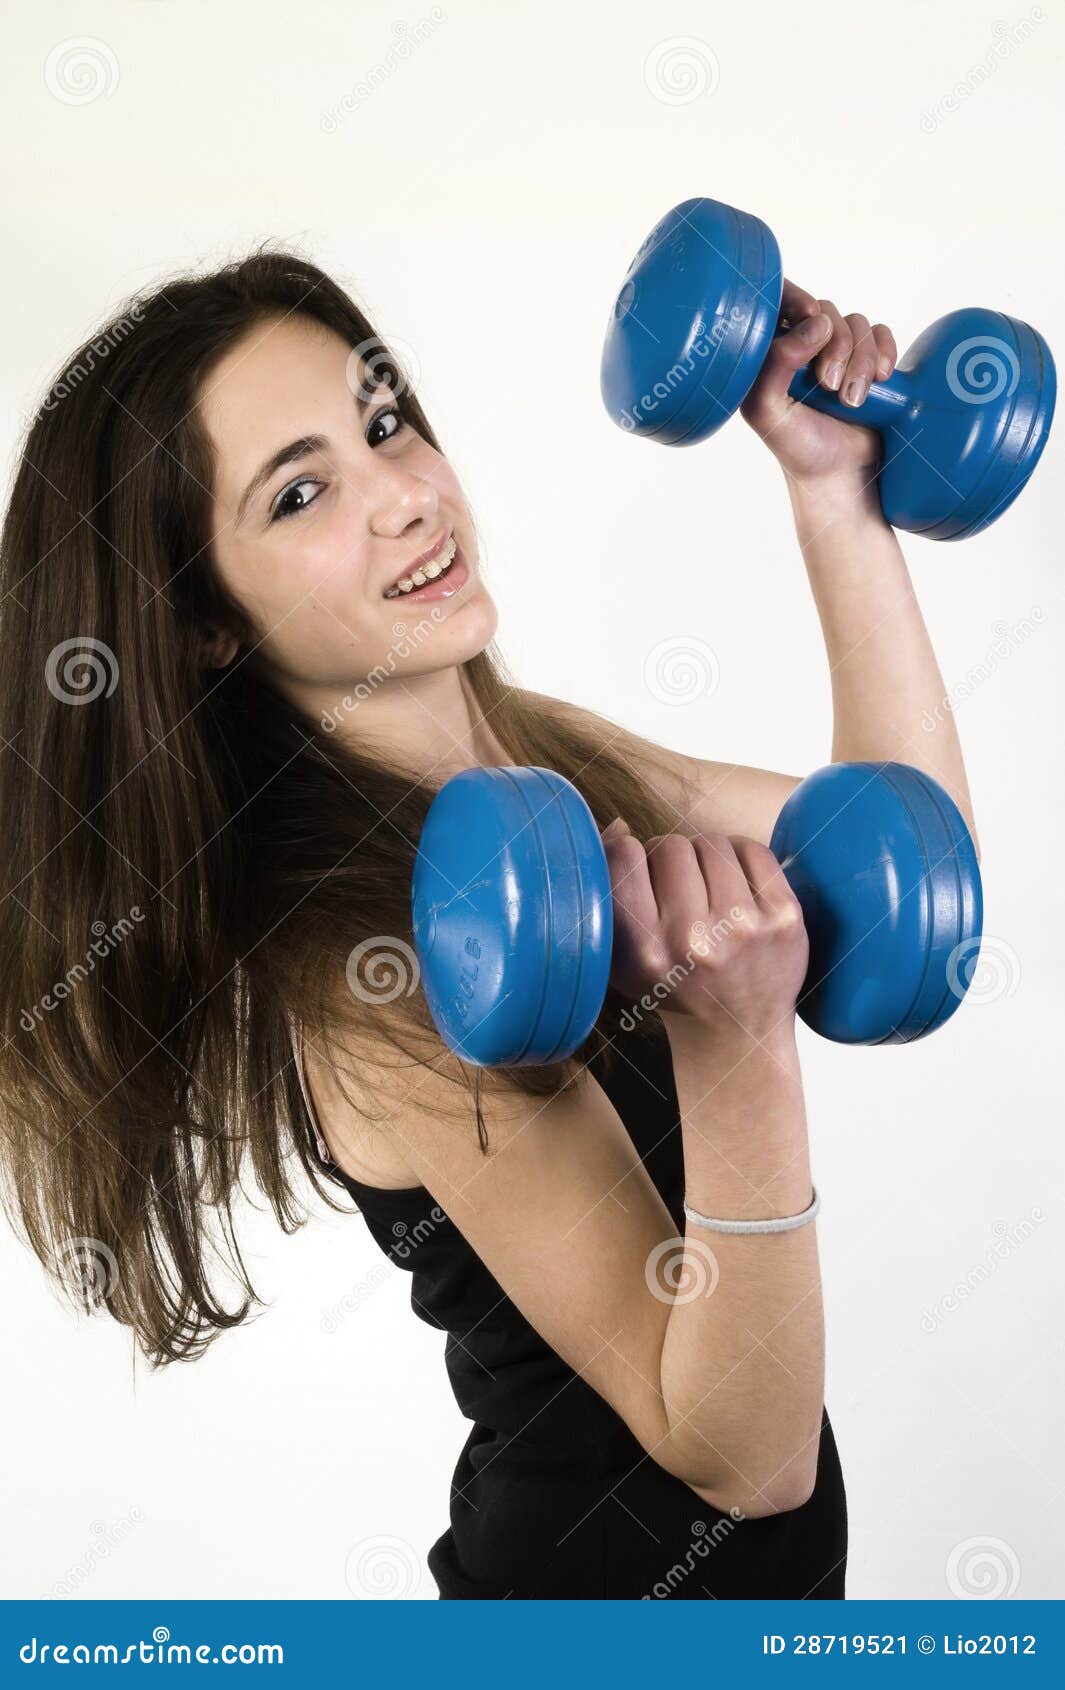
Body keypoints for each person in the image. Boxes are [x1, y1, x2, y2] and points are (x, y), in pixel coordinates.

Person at [0, 250, 976, 1599]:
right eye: (300, 491)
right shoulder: (378, 967)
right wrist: (736, 1044)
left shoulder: (542, 762)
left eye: (383, 421)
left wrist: (832, 493)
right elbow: (740, 1457)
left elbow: (916, 858)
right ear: (204, 623)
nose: (402, 496)